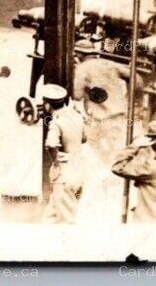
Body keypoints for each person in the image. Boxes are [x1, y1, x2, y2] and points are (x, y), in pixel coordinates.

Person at [42, 83, 87, 223]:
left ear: (47, 105)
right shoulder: (77, 116)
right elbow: (84, 138)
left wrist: (56, 161)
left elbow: (50, 144)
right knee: (50, 217)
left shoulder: (56, 122)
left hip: (64, 175)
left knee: (66, 221)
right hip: (78, 172)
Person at [111, 117, 156, 223]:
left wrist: (136, 145)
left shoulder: (152, 167)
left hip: (148, 221)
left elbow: (117, 167)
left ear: (152, 141)